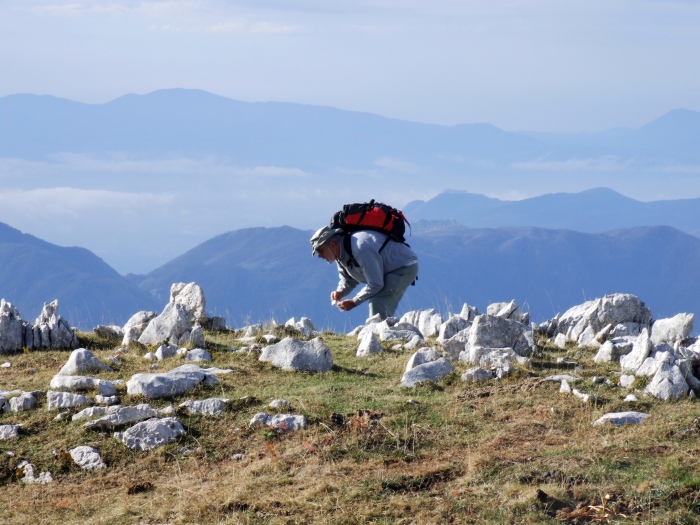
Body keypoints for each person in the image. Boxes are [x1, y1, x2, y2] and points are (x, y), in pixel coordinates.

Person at [310, 225, 419, 320]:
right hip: (389, 270)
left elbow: (376, 284)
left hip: (404, 267)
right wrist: (340, 291)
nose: (320, 256)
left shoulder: (361, 249)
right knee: (378, 300)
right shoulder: (341, 253)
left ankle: (379, 337)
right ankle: (382, 333)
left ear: (332, 244)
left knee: (378, 300)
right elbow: (349, 279)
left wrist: (354, 302)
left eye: (320, 251)